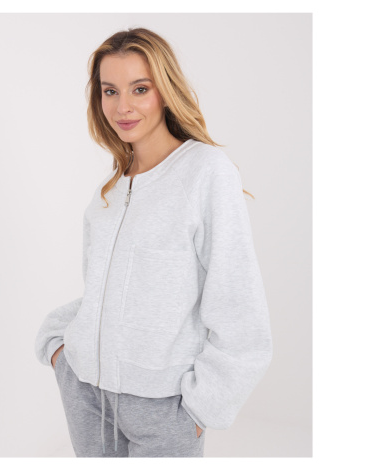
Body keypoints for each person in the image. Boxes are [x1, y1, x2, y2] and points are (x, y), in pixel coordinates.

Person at [34, 27, 273, 458]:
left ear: (165, 91)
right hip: (86, 394)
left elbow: (239, 306)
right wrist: (59, 349)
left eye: (139, 89)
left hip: (165, 409)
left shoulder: (205, 172)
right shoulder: (108, 192)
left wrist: (202, 407)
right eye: (110, 91)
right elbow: (101, 296)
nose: (122, 107)